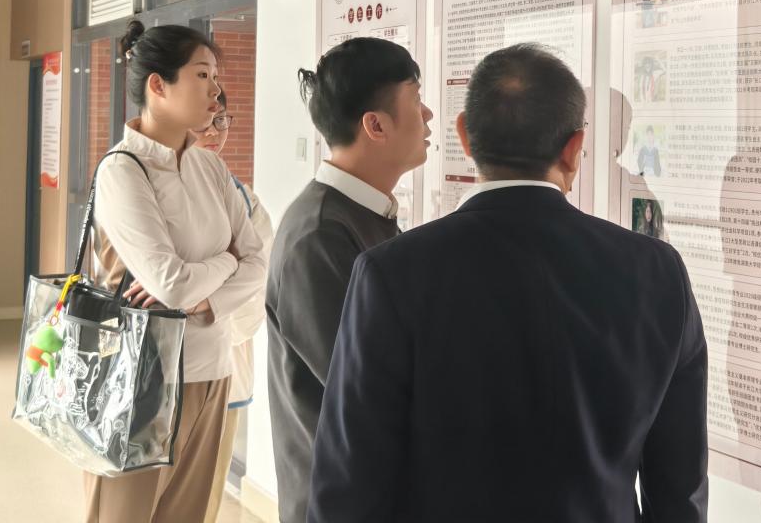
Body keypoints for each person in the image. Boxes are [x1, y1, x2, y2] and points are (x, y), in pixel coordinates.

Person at [309, 43, 708, 523]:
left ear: (465, 137)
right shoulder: (658, 272)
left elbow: (348, 488)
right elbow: (679, 491)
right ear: (574, 149)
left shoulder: (389, 274)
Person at [84, 20, 267, 523]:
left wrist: (209, 294)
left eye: (216, 77)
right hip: (142, 376)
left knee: (191, 514)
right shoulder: (123, 170)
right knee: (124, 514)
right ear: (158, 85)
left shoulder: (210, 167)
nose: (216, 90)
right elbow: (172, 283)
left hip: (215, 367)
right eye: (202, 75)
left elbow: (259, 263)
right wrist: (227, 260)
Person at [266, 37, 432, 523]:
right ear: (375, 125)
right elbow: (366, 387)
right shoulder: (319, 236)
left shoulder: (361, 214)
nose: (428, 115)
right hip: (344, 503)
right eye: (416, 99)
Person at [193, 89, 275, 523]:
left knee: (205, 495)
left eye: (221, 120)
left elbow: (258, 281)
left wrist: (208, 306)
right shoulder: (144, 186)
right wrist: (225, 270)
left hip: (224, 367)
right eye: (203, 121)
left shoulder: (243, 199)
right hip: (160, 370)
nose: (213, 132)